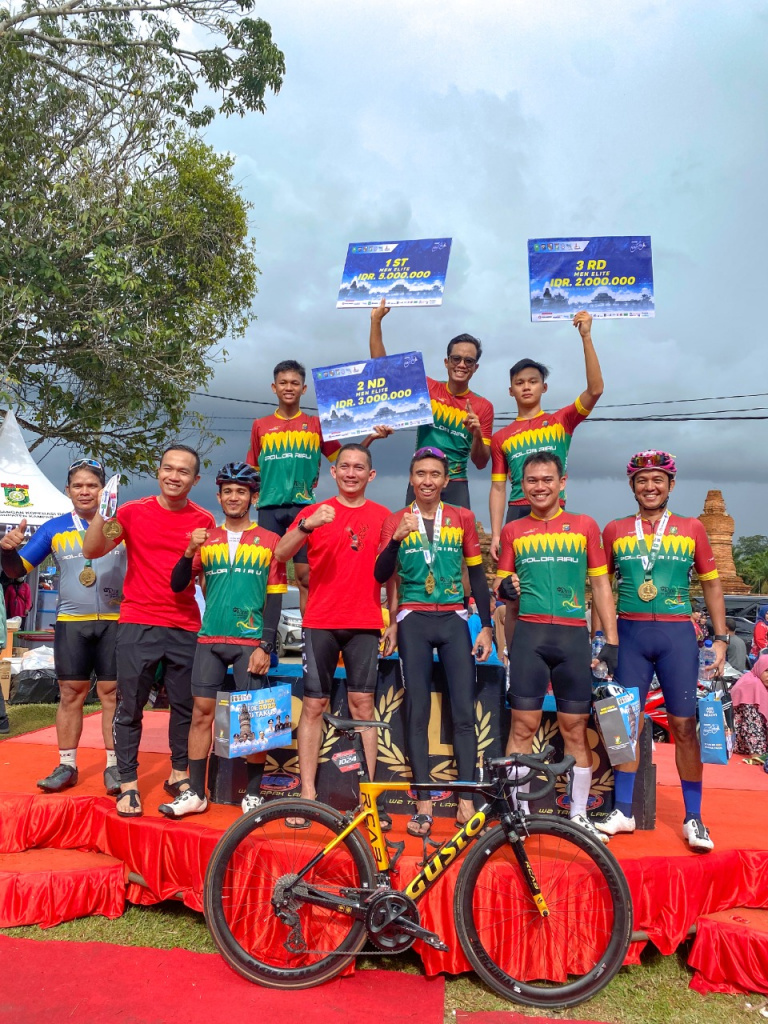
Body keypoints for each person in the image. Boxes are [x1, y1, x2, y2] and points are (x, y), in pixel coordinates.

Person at [599, 450, 727, 851]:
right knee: (626, 725)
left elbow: (712, 584)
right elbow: (600, 588)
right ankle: (623, 811)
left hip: (677, 636)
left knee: (683, 726)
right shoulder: (615, 529)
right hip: (629, 634)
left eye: (657, 480)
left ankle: (694, 817)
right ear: (632, 486)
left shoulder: (692, 528)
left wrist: (721, 638)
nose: (649, 487)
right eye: (642, 480)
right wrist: (603, 639)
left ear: (671, 485)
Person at [82, 445, 216, 818]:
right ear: (158, 472)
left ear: (195, 479)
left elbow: (205, 578)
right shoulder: (131, 512)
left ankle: (178, 774)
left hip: (185, 624)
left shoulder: (205, 520)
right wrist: (103, 511)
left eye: (183, 471)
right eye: (168, 468)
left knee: (184, 706)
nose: (174, 476)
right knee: (130, 705)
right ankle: (128, 782)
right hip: (138, 621)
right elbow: (92, 549)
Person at [495, 451, 618, 845]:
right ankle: (517, 814)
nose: (540, 487)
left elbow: (600, 585)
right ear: (522, 486)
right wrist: (504, 589)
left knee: (575, 729)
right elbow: (502, 588)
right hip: (529, 638)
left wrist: (611, 640)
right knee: (522, 727)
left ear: (562, 482)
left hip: (572, 639)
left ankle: (579, 815)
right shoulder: (513, 531)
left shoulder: (584, 526)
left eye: (547, 479)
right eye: (532, 480)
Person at [375, 446, 494, 837]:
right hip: (413, 619)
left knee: (463, 713)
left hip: (454, 619)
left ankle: (465, 801)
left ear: (446, 480)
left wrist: (487, 626)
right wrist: (396, 540)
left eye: (435, 474)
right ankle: (424, 802)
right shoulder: (395, 519)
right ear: (411, 479)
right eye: (420, 474)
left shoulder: (462, 518)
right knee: (418, 711)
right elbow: (380, 574)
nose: (427, 481)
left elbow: (478, 576)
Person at [159, 463, 286, 818]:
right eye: (227, 491)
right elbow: (177, 584)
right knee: (201, 714)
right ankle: (197, 793)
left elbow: (275, 597)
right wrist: (189, 551)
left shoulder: (270, 541)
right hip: (210, 638)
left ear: (253, 498)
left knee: (252, 718)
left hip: (249, 641)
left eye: (241, 491)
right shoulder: (206, 539)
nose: (234, 497)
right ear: (218, 497)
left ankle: (254, 795)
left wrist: (266, 645)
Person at [274, 443, 392, 828]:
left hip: (364, 622)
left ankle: (369, 799)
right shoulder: (314, 512)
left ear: (370, 475)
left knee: (363, 706)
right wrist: (306, 525)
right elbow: (280, 553)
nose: (351, 473)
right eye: (345, 466)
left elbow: (392, 572)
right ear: (334, 472)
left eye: (359, 467)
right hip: (320, 621)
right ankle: (307, 795)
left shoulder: (383, 516)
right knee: (313, 705)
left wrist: (393, 620)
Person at [1, 458, 126, 793]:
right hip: (72, 623)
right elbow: (16, 571)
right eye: (78, 485)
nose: (85, 491)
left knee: (112, 694)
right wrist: (7, 551)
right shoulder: (54, 528)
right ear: (67, 490)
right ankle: (67, 765)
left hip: (116, 621)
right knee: (71, 693)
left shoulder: (121, 524)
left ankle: (115, 767)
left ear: (103, 490)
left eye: (92, 485)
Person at [246, 359, 389, 614]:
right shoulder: (260, 425)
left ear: (303, 389)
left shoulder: (316, 425)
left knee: (305, 577)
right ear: (274, 387)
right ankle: (264, 634)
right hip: (269, 508)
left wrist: (371, 437)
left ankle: (307, 634)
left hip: (304, 508)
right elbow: (252, 471)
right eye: (283, 383)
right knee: (266, 575)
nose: (288, 388)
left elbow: (344, 459)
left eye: (294, 383)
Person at [489, 311, 603, 559]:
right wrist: (496, 534)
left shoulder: (561, 422)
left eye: (533, 381)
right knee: (512, 580)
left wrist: (586, 337)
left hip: (555, 508)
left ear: (544, 387)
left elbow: (595, 390)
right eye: (520, 382)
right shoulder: (501, 437)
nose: (526, 387)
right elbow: (498, 488)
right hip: (517, 511)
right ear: (511, 390)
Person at [369, 299, 494, 510]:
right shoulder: (427, 389)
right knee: (412, 532)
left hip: (456, 483)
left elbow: (481, 463)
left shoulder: (483, 406)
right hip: (421, 478)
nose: (461, 365)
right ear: (446, 362)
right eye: (456, 359)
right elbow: (382, 370)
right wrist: (376, 321)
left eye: (469, 361)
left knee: (457, 534)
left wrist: (477, 435)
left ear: (476, 367)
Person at [731, 654, 768, 756]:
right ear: (760, 668)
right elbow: (751, 724)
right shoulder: (751, 685)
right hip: (742, 741)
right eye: (767, 671)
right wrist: (758, 754)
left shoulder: (760, 682)